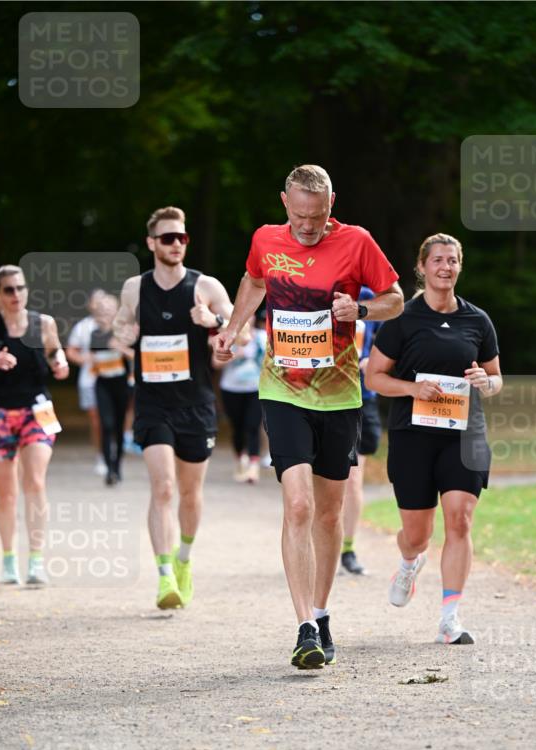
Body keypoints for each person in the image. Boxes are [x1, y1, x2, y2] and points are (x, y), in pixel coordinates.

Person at [216, 164, 403, 668]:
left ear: (331, 204)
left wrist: (361, 311)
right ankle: (303, 628)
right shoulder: (266, 239)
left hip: (339, 395)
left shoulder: (357, 242)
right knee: (297, 505)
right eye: (299, 216)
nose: (306, 226)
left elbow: (395, 299)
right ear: (285, 203)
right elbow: (254, 281)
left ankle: (321, 613)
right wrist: (233, 329)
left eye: (316, 217)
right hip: (282, 389)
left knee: (328, 514)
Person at [366, 233, 502, 644]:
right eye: (438, 260)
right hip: (413, 436)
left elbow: (496, 378)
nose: (446, 267)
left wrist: (485, 381)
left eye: (452, 260)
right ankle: (410, 562)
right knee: (417, 535)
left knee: (459, 518)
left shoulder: (477, 320)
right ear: (422, 267)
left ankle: (449, 618)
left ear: (460, 267)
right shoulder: (402, 318)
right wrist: (412, 389)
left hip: (463, 434)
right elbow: (374, 378)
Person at [113, 206, 235, 610]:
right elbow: (118, 330)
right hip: (153, 403)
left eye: (182, 238)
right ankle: (164, 575)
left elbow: (238, 332)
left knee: (189, 492)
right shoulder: (135, 288)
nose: (177, 244)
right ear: (151, 243)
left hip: (196, 403)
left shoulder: (206, 286)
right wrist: (126, 333)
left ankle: (183, 558)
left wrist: (212, 320)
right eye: (168, 238)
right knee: (163, 487)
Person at [0, 265, 69, 585]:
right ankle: (9, 558)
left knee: (35, 481)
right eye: (8, 289)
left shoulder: (43, 323)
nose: (16, 295)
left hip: (37, 411)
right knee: (6, 493)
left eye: (20, 288)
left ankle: (36, 560)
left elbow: (55, 353)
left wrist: (60, 363)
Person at [340, 286, 383, 575]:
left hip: (361, 398)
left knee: (353, 479)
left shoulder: (368, 295)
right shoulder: (320, 286)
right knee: (321, 480)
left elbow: (388, 340)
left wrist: (374, 359)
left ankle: (347, 549)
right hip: (319, 396)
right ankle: (317, 541)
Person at [88, 294, 132, 485]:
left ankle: (117, 466)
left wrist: (120, 348)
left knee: (119, 426)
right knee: (106, 425)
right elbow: (93, 359)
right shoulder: (94, 334)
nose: (103, 314)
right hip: (102, 383)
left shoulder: (124, 332)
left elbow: (137, 357)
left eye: (107, 310)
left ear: (116, 312)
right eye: (100, 311)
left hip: (121, 384)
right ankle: (108, 470)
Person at [219, 312, 267, 483]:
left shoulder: (263, 337)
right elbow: (215, 363)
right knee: (237, 428)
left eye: (251, 315)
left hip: (255, 389)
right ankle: (241, 459)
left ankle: (253, 467)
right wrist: (235, 355)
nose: (247, 318)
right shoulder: (228, 337)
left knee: (252, 426)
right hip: (231, 388)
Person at [66, 289, 109, 475]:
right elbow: (71, 351)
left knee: (114, 419)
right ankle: (101, 456)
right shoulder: (83, 327)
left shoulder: (118, 324)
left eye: (102, 301)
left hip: (115, 379)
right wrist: (84, 359)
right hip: (90, 380)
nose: (99, 305)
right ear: (89, 305)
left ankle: (115, 449)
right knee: (97, 420)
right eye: (95, 301)